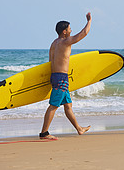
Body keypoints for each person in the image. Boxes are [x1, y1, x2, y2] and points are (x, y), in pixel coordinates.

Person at [39, 12, 92, 140]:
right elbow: (83, 34)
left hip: (56, 76)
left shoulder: (54, 43)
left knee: (68, 105)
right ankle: (44, 133)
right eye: (69, 28)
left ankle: (79, 129)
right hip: (61, 78)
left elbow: (50, 61)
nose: (71, 30)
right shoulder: (66, 42)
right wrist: (89, 21)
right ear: (64, 31)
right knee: (53, 106)